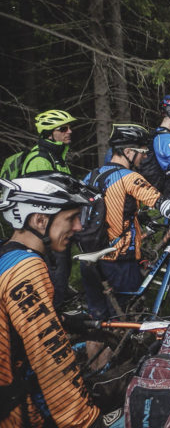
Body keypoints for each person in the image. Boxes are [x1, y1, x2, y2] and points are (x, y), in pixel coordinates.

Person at [0, 173, 104, 427]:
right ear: (39, 219)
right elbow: (50, 358)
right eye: (70, 218)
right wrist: (85, 420)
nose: (78, 227)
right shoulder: (27, 269)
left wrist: (60, 320)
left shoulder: (7, 255)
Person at [80, 124, 170, 320]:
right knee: (126, 323)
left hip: (89, 260)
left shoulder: (90, 176)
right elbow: (166, 207)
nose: (145, 157)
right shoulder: (129, 177)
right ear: (128, 151)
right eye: (142, 152)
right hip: (119, 262)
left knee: (99, 325)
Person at [14, 110, 79, 309]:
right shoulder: (39, 159)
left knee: (61, 273)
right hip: (45, 231)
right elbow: (41, 200)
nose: (69, 131)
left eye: (69, 127)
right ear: (50, 134)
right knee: (54, 278)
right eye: (63, 129)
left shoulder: (56, 156)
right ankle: (54, 321)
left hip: (58, 227)